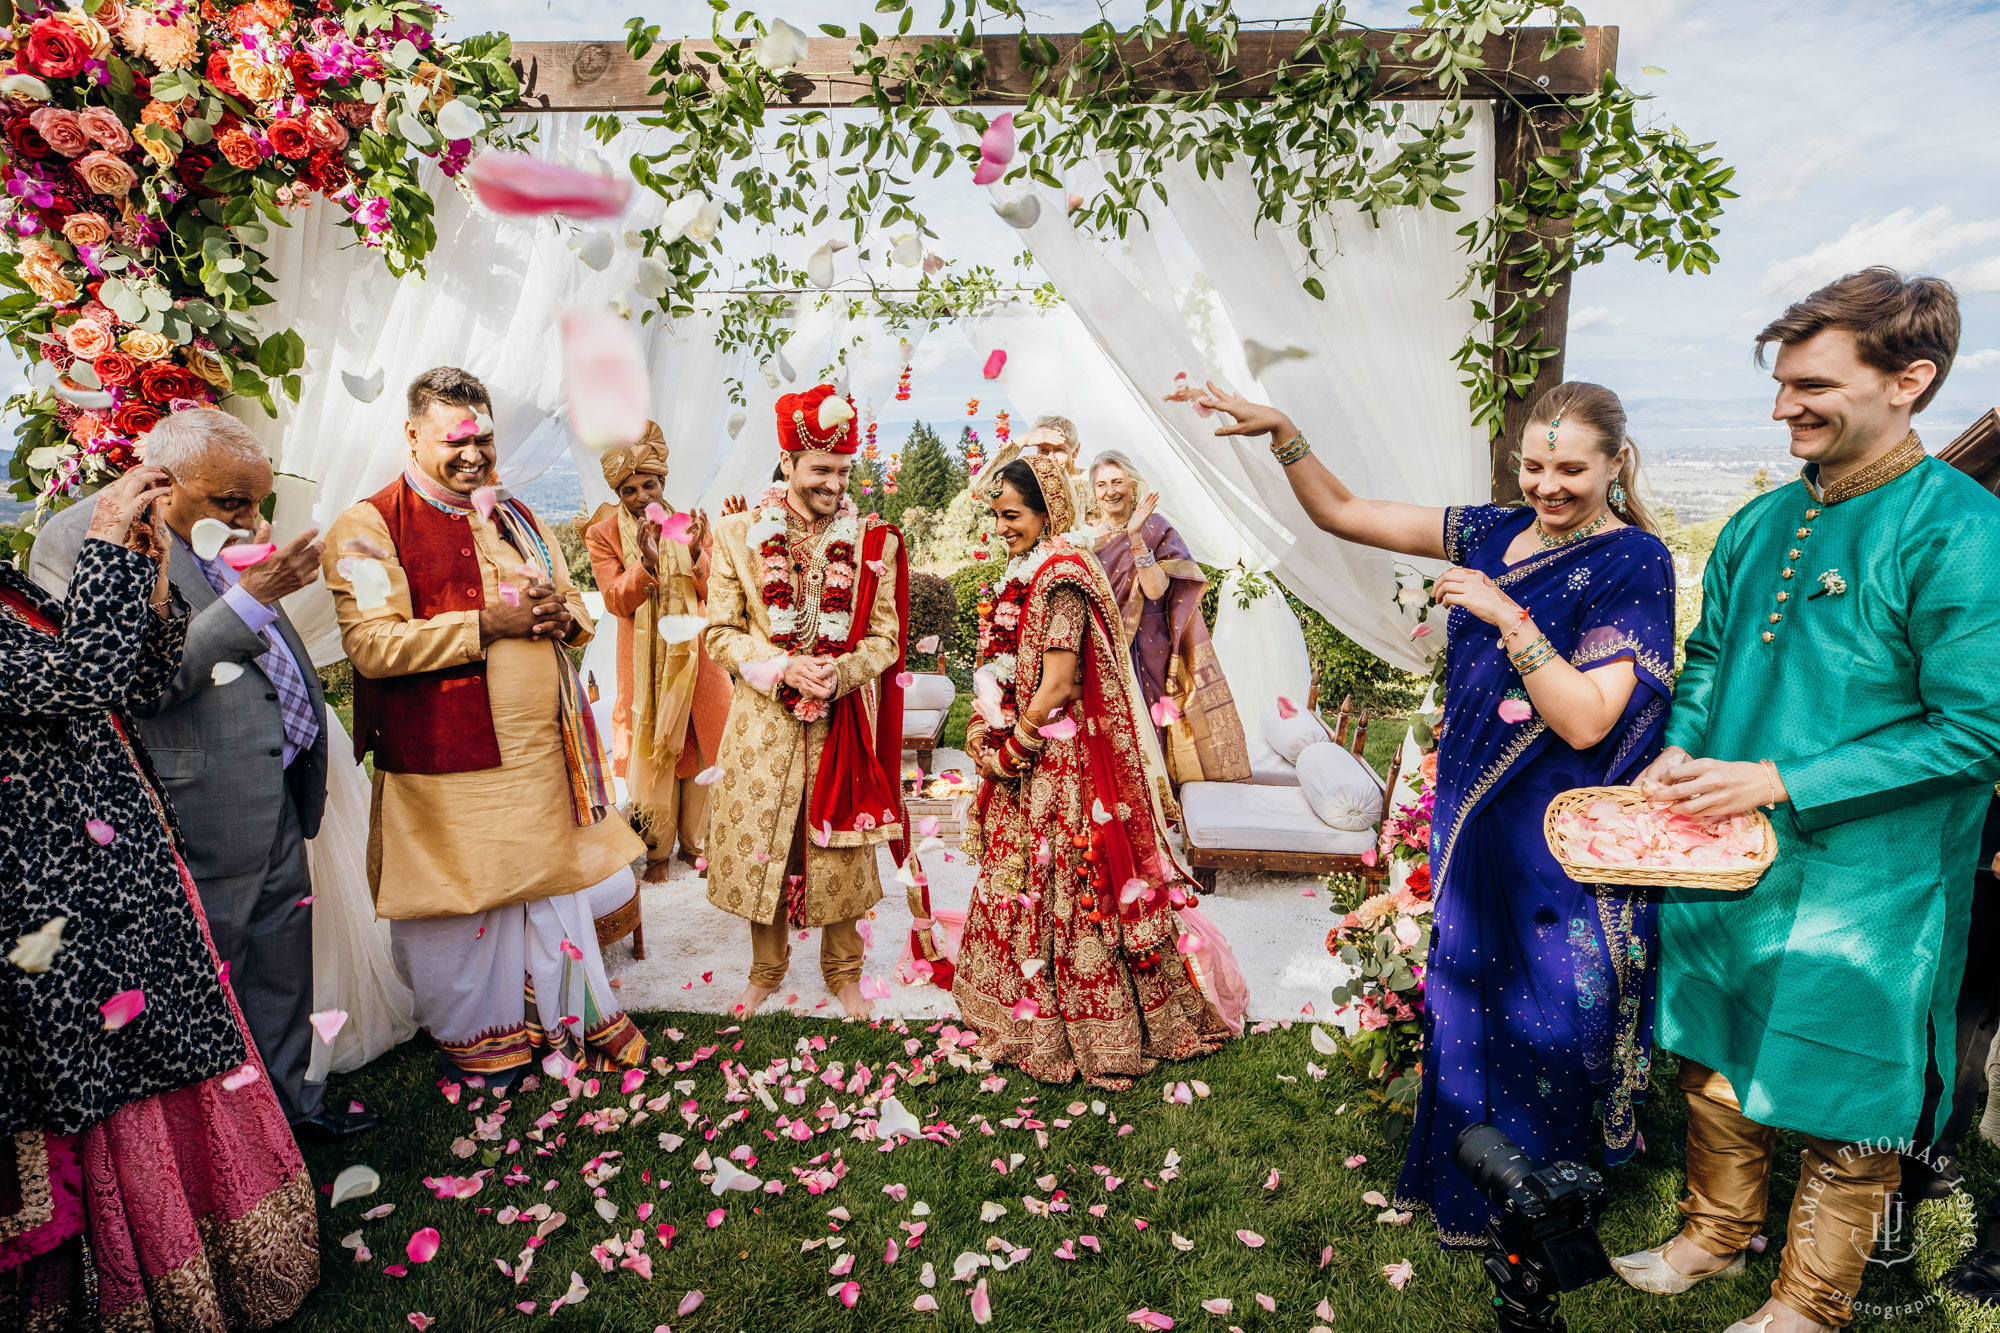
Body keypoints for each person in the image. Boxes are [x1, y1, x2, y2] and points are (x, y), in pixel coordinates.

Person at [1202, 379, 1676, 1248]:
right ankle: (1465, 1183)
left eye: (1572, 468)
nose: (1548, 485)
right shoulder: (1491, 530)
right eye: (1534, 465)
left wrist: (1504, 612)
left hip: (1555, 832)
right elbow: (1345, 512)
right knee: (1472, 995)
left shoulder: (1633, 561)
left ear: (1616, 462)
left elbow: (1585, 716)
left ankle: (1545, 1203)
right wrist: (1287, 431)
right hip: (1472, 812)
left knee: (1550, 1012)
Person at [1614, 269, 2000, 1333]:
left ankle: (1806, 1303)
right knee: (1712, 1049)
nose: (1782, 405)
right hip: (1724, 849)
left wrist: (1782, 779)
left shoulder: (1959, 532)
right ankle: (1714, 1233)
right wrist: (1683, 746)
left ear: (1909, 381)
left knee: (1849, 1094)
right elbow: (1704, 656)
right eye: (1779, 382)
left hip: (1871, 879)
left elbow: (1977, 728)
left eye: (1811, 384)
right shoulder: (1756, 522)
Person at [0, 466, 316, 1329]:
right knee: (109, 1079)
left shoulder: (10, 590)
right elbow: (79, 679)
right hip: (47, 900)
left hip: (121, 880)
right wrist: (105, 543)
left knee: (166, 1053)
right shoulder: (47, 570)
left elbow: (135, 679)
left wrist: (141, 576)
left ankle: (213, 1260)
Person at [27, 409, 365, 1142]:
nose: (249, 518)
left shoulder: (221, 522)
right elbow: (129, 683)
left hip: (275, 786)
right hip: (194, 801)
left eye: (258, 500)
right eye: (231, 502)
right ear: (162, 480)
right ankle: (230, 1151)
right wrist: (254, 596)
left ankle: (294, 1118)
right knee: (212, 983)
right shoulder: (85, 538)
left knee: (282, 964)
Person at [321, 367, 646, 1089]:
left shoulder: (515, 514)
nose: (474, 454)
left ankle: (556, 1021)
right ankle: (478, 1041)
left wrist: (567, 618)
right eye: (454, 439)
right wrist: (485, 626)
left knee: (544, 889)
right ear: (412, 435)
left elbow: (570, 601)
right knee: (459, 907)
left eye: (484, 437)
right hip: (448, 761)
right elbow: (374, 645)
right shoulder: (369, 525)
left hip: (540, 757)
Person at [953, 454, 1238, 1087]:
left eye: (1012, 516)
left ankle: (1082, 1025)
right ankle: (1030, 1000)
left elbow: (1056, 685)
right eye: (997, 517)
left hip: (1060, 760)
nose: (1003, 528)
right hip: (1038, 749)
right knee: (1030, 873)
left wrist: (1010, 749)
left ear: (1047, 509)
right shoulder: (1035, 568)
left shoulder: (1060, 578)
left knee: (1066, 874)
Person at [702, 384, 911, 1020]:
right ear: (788, 463)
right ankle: (766, 970)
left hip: (841, 721)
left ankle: (844, 971)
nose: (834, 483)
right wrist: (780, 664)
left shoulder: (876, 542)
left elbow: (886, 637)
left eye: (843, 471)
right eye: (821, 469)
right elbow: (718, 632)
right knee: (769, 841)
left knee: (839, 848)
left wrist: (843, 672)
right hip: (763, 723)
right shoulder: (738, 536)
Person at [582, 427, 730, 882]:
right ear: (617, 492)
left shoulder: (689, 522)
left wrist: (698, 553)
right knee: (653, 754)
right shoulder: (603, 534)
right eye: (629, 489)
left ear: (663, 482)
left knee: (703, 747)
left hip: (698, 657)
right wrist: (645, 564)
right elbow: (615, 601)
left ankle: (697, 843)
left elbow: (716, 592)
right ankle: (657, 852)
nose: (641, 495)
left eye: (650, 484)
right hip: (645, 665)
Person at [1087, 449, 1251, 783]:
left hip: (1148, 642)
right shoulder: (1086, 536)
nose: (1110, 491)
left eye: (1117, 481)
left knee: (1150, 715)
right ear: (1093, 491)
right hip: (1101, 640)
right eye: (1101, 484)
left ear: (1133, 485)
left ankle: (1158, 793)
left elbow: (1156, 591)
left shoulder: (1155, 528)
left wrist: (1135, 537)